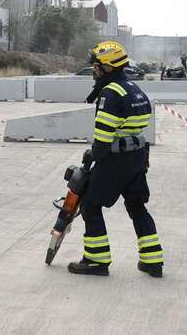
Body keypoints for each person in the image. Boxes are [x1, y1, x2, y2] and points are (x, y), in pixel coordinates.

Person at [68, 40, 164, 278]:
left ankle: (96, 260)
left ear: (108, 67)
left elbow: (103, 138)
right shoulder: (134, 88)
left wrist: (93, 155)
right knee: (136, 206)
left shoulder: (111, 93)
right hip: (137, 158)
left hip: (115, 161)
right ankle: (153, 261)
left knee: (90, 205)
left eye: (97, 66)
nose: (94, 70)